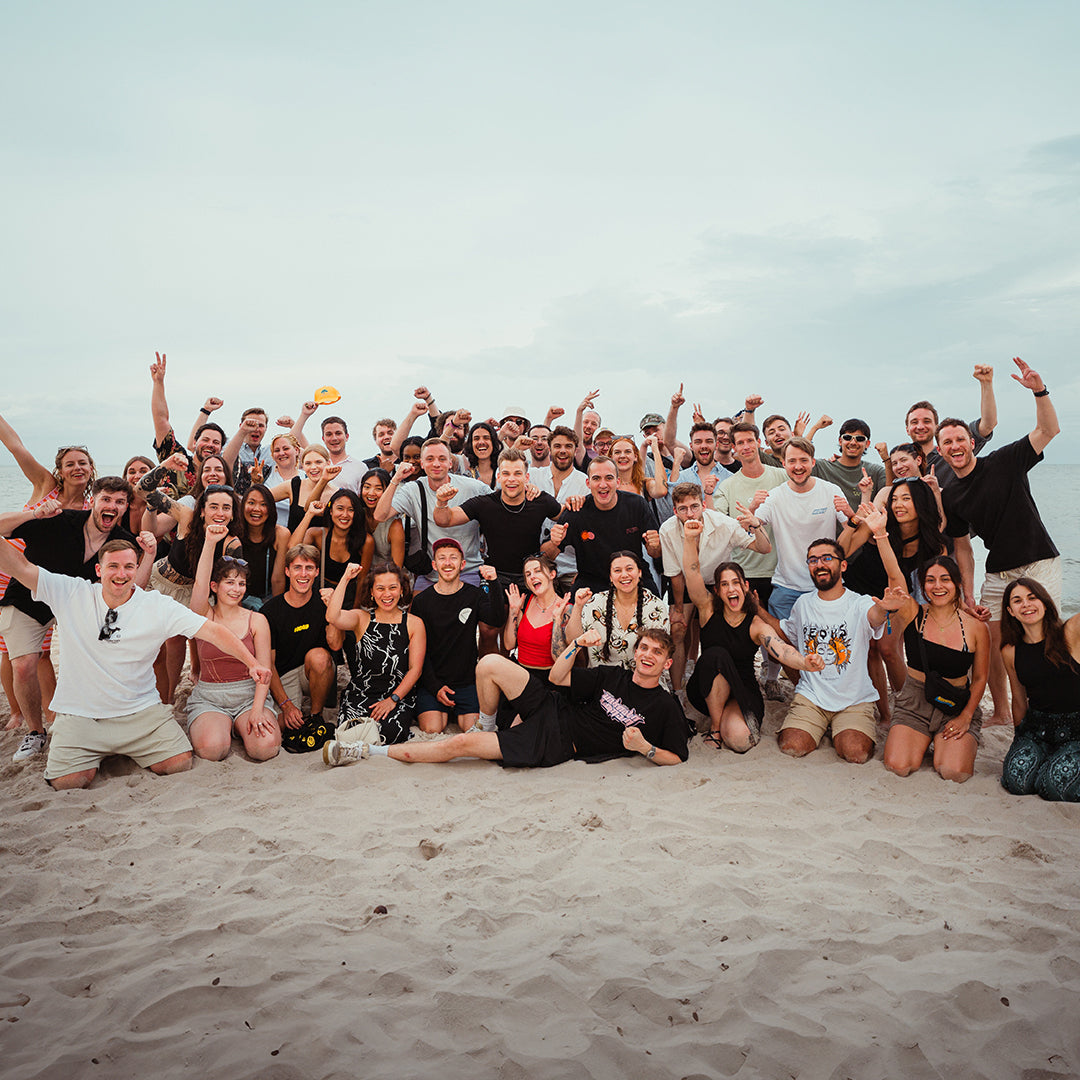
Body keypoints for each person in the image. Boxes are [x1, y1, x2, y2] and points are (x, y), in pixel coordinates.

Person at [0, 537, 269, 788]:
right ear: (98, 570)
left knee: (178, 763)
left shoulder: (155, 605)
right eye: (113, 566)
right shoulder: (71, 592)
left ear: (137, 569)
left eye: (129, 567)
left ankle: (128, 748)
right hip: (82, 715)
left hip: (139, 711)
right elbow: (20, 566)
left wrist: (251, 662)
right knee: (69, 781)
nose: (121, 574)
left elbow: (212, 631)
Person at [322, 627, 689, 770]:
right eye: (644, 648)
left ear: (668, 663)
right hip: (552, 706)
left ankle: (366, 751)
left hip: (556, 742)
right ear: (635, 652)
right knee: (490, 663)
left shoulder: (664, 706)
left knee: (460, 744)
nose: (648, 655)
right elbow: (558, 678)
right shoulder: (612, 675)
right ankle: (487, 723)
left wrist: (645, 748)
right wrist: (577, 643)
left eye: (657, 652)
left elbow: (676, 756)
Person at [939, 357, 1060, 725]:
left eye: (960, 439)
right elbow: (962, 547)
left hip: (1039, 562)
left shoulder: (1005, 460)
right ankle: (1003, 712)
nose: (955, 446)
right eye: (947, 442)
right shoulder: (951, 494)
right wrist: (968, 593)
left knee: (1046, 638)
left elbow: (1049, 430)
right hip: (998, 573)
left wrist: (1039, 390)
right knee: (991, 643)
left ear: (971, 442)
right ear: (940, 451)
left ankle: (1055, 707)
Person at [1, 478, 151, 762]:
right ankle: (35, 732)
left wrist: (149, 554)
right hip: (28, 599)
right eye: (106, 499)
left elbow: (133, 590)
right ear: (92, 500)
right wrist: (33, 514)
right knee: (23, 665)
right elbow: (2, 527)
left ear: (125, 507)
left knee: (105, 654)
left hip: (80, 608)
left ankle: (96, 718)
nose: (113, 506)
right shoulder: (58, 520)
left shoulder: (124, 542)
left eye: (120, 502)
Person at [863, 500, 990, 783]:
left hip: (956, 704)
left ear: (957, 584)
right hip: (914, 702)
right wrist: (880, 534)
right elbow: (895, 575)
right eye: (930, 580)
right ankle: (922, 740)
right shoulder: (913, 612)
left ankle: (945, 743)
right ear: (923, 586)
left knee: (953, 772)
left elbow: (981, 678)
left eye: (945, 579)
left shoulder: (976, 627)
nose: (938, 586)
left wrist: (966, 716)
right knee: (898, 766)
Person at [681, 521, 824, 751]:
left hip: (741, 688)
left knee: (739, 741)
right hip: (707, 686)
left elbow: (780, 648)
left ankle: (728, 719)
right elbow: (692, 572)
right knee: (716, 655)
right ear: (717, 591)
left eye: (736, 583)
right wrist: (690, 539)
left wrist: (804, 662)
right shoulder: (708, 610)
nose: (731, 589)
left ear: (745, 586)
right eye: (724, 584)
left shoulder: (755, 624)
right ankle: (715, 726)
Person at [777, 539, 892, 764]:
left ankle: (842, 728)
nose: (819, 564)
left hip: (854, 699)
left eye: (827, 558)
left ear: (843, 565)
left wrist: (885, 609)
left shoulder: (860, 602)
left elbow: (875, 616)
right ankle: (821, 726)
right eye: (813, 560)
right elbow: (785, 632)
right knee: (792, 746)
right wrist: (756, 609)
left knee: (855, 752)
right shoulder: (802, 604)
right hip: (812, 696)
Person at [139, 476, 244, 702]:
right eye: (213, 506)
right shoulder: (187, 517)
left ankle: (168, 697)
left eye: (226, 508)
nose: (220, 513)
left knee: (176, 639)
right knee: (152, 643)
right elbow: (143, 490)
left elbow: (227, 583)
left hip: (191, 591)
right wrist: (167, 464)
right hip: (159, 583)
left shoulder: (231, 543)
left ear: (233, 513)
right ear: (202, 511)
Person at [186, 527, 280, 761]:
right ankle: (223, 727)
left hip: (249, 694)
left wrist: (257, 710)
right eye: (229, 582)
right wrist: (210, 542)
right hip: (211, 696)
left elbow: (264, 671)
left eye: (241, 583)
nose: (236, 589)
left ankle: (239, 726)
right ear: (215, 586)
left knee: (265, 748)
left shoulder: (257, 620)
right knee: (212, 750)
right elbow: (198, 586)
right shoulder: (204, 614)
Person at [409, 538, 505, 733]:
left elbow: (496, 619)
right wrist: (434, 686)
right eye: (442, 558)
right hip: (432, 680)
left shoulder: (474, 595)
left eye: (453, 558)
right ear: (434, 565)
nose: (447, 563)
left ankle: (456, 711)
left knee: (471, 728)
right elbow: (417, 650)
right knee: (433, 728)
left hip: (466, 681)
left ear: (462, 564)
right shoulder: (422, 601)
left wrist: (494, 582)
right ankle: (440, 708)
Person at [326, 561, 425, 745]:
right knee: (350, 731)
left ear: (402, 590)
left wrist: (392, 699)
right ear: (371, 592)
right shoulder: (361, 618)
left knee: (391, 732)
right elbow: (333, 616)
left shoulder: (414, 623)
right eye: (380, 588)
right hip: (361, 692)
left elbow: (415, 670)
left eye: (392, 588)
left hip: (398, 695)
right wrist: (346, 578)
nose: (387, 594)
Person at [373, 438, 491, 591]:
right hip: (432, 574)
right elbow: (380, 515)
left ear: (450, 463)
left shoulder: (473, 487)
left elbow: (500, 503)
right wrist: (396, 479)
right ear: (422, 463)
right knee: (417, 604)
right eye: (430, 459)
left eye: (442, 459)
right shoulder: (413, 490)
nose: (436, 464)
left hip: (469, 571)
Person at [434, 449, 563, 588]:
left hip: (531, 577)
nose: (511, 479)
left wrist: (575, 501)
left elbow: (566, 514)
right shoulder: (485, 503)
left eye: (517, 473)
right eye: (506, 474)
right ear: (499, 477)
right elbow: (445, 520)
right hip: (495, 576)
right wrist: (441, 501)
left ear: (526, 477)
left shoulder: (540, 501)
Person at [1000, 579, 1080, 801]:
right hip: (1037, 730)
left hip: (1076, 730)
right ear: (1011, 611)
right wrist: (1019, 740)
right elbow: (1018, 699)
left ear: (1045, 602)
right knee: (1018, 782)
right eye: (1017, 601)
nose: (1026, 604)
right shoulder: (1010, 651)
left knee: (1053, 787)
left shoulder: (1070, 633)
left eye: (1032, 597)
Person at [263, 544, 343, 750]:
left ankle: (316, 716)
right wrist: (286, 705)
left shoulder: (323, 602)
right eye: (297, 567)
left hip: (315, 672)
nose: (303, 574)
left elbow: (336, 644)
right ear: (287, 571)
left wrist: (333, 609)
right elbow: (268, 664)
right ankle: (293, 708)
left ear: (317, 572)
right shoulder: (270, 611)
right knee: (282, 727)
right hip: (283, 675)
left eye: (309, 568)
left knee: (319, 656)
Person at [555, 456, 662, 595]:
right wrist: (554, 541)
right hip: (591, 582)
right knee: (572, 607)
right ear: (588, 483)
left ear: (618, 482)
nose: (603, 485)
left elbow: (655, 552)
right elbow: (548, 554)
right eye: (596, 478)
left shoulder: (637, 504)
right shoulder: (576, 510)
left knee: (656, 606)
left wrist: (655, 545)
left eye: (609, 478)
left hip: (633, 577)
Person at [563, 551, 669, 674]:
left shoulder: (655, 606)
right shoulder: (596, 602)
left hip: (643, 679)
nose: (624, 575)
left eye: (629, 569)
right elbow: (572, 640)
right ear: (610, 577)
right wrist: (578, 606)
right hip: (602, 680)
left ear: (639, 573)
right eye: (617, 571)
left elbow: (662, 650)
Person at [147, 352, 227, 498]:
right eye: (205, 440)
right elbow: (161, 420)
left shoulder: (221, 476)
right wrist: (158, 382)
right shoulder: (176, 460)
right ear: (194, 443)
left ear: (221, 449)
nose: (210, 445)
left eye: (216, 442)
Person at [905, 363, 997, 486]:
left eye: (927, 421)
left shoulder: (953, 449)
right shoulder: (901, 464)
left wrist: (986, 383)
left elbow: (988, 425)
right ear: (907, 429)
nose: (920, 426)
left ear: (936, 427)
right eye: (914, 422)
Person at [290, 488, 374, 607]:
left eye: (351, 510)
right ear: (330, 511)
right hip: (319, 593)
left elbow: (362, 579)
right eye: (340, 508)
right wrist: (310, 514)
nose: (345, 514)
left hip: (348, 597)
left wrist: (355, 609)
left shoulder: (366, 541)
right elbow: (292, 549)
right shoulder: (317, 534)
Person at [503, 555, 569, 676]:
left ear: (552, 574)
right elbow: (508, 645)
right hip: (522, 674)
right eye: (528, 574)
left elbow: (560, 659)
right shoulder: (525, 602)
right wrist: (513, 611)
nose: (532, 576)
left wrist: (557, 620)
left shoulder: (566, 608)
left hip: (549, 677)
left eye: (538, 571)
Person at [811, 418, 887, 511]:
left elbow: (889, 493)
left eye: (859, 439)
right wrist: (815, 428)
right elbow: (800, 460)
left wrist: (886, 459)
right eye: (847, 437)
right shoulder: (822, 467)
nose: (853, 442)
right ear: (840, 441)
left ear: (867, 444)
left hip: (864, 520)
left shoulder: (876, 471)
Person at [235, 484, 289, 608]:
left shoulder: (281, 534)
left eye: (263, 504)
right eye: (251, 503)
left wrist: (275, 611)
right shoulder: (234, 534)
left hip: (268, 598)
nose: (257, 509)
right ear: (243, 506)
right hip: (237, 596)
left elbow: (278, 579)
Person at [358, 469, 405, 566]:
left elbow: (397, 567)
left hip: (387, 573)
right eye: (367, 487)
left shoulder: (395, 525)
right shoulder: (358, 513)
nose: (371, 493)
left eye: (378, 489)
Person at [463, 422, 500, 488]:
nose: (481, 442)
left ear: (493, 442)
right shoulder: (464, 472)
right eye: (476, 439)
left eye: (486, 438)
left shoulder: (503, 471)